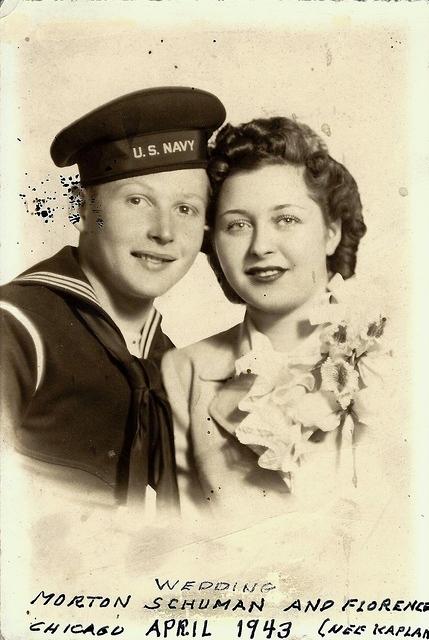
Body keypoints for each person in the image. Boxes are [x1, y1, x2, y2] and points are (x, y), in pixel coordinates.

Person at [0, 86, 226, 512]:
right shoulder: (16, 330)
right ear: (82, 210)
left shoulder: (168, 364)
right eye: (137, 200)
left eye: (186, 209)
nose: (164, 231)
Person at [162, 116, 392, 525]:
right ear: (214, 242)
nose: (261, 246)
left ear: (332, 232)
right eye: (237, 225)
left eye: (286, 219)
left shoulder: (395, 356)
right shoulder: (185, 372)